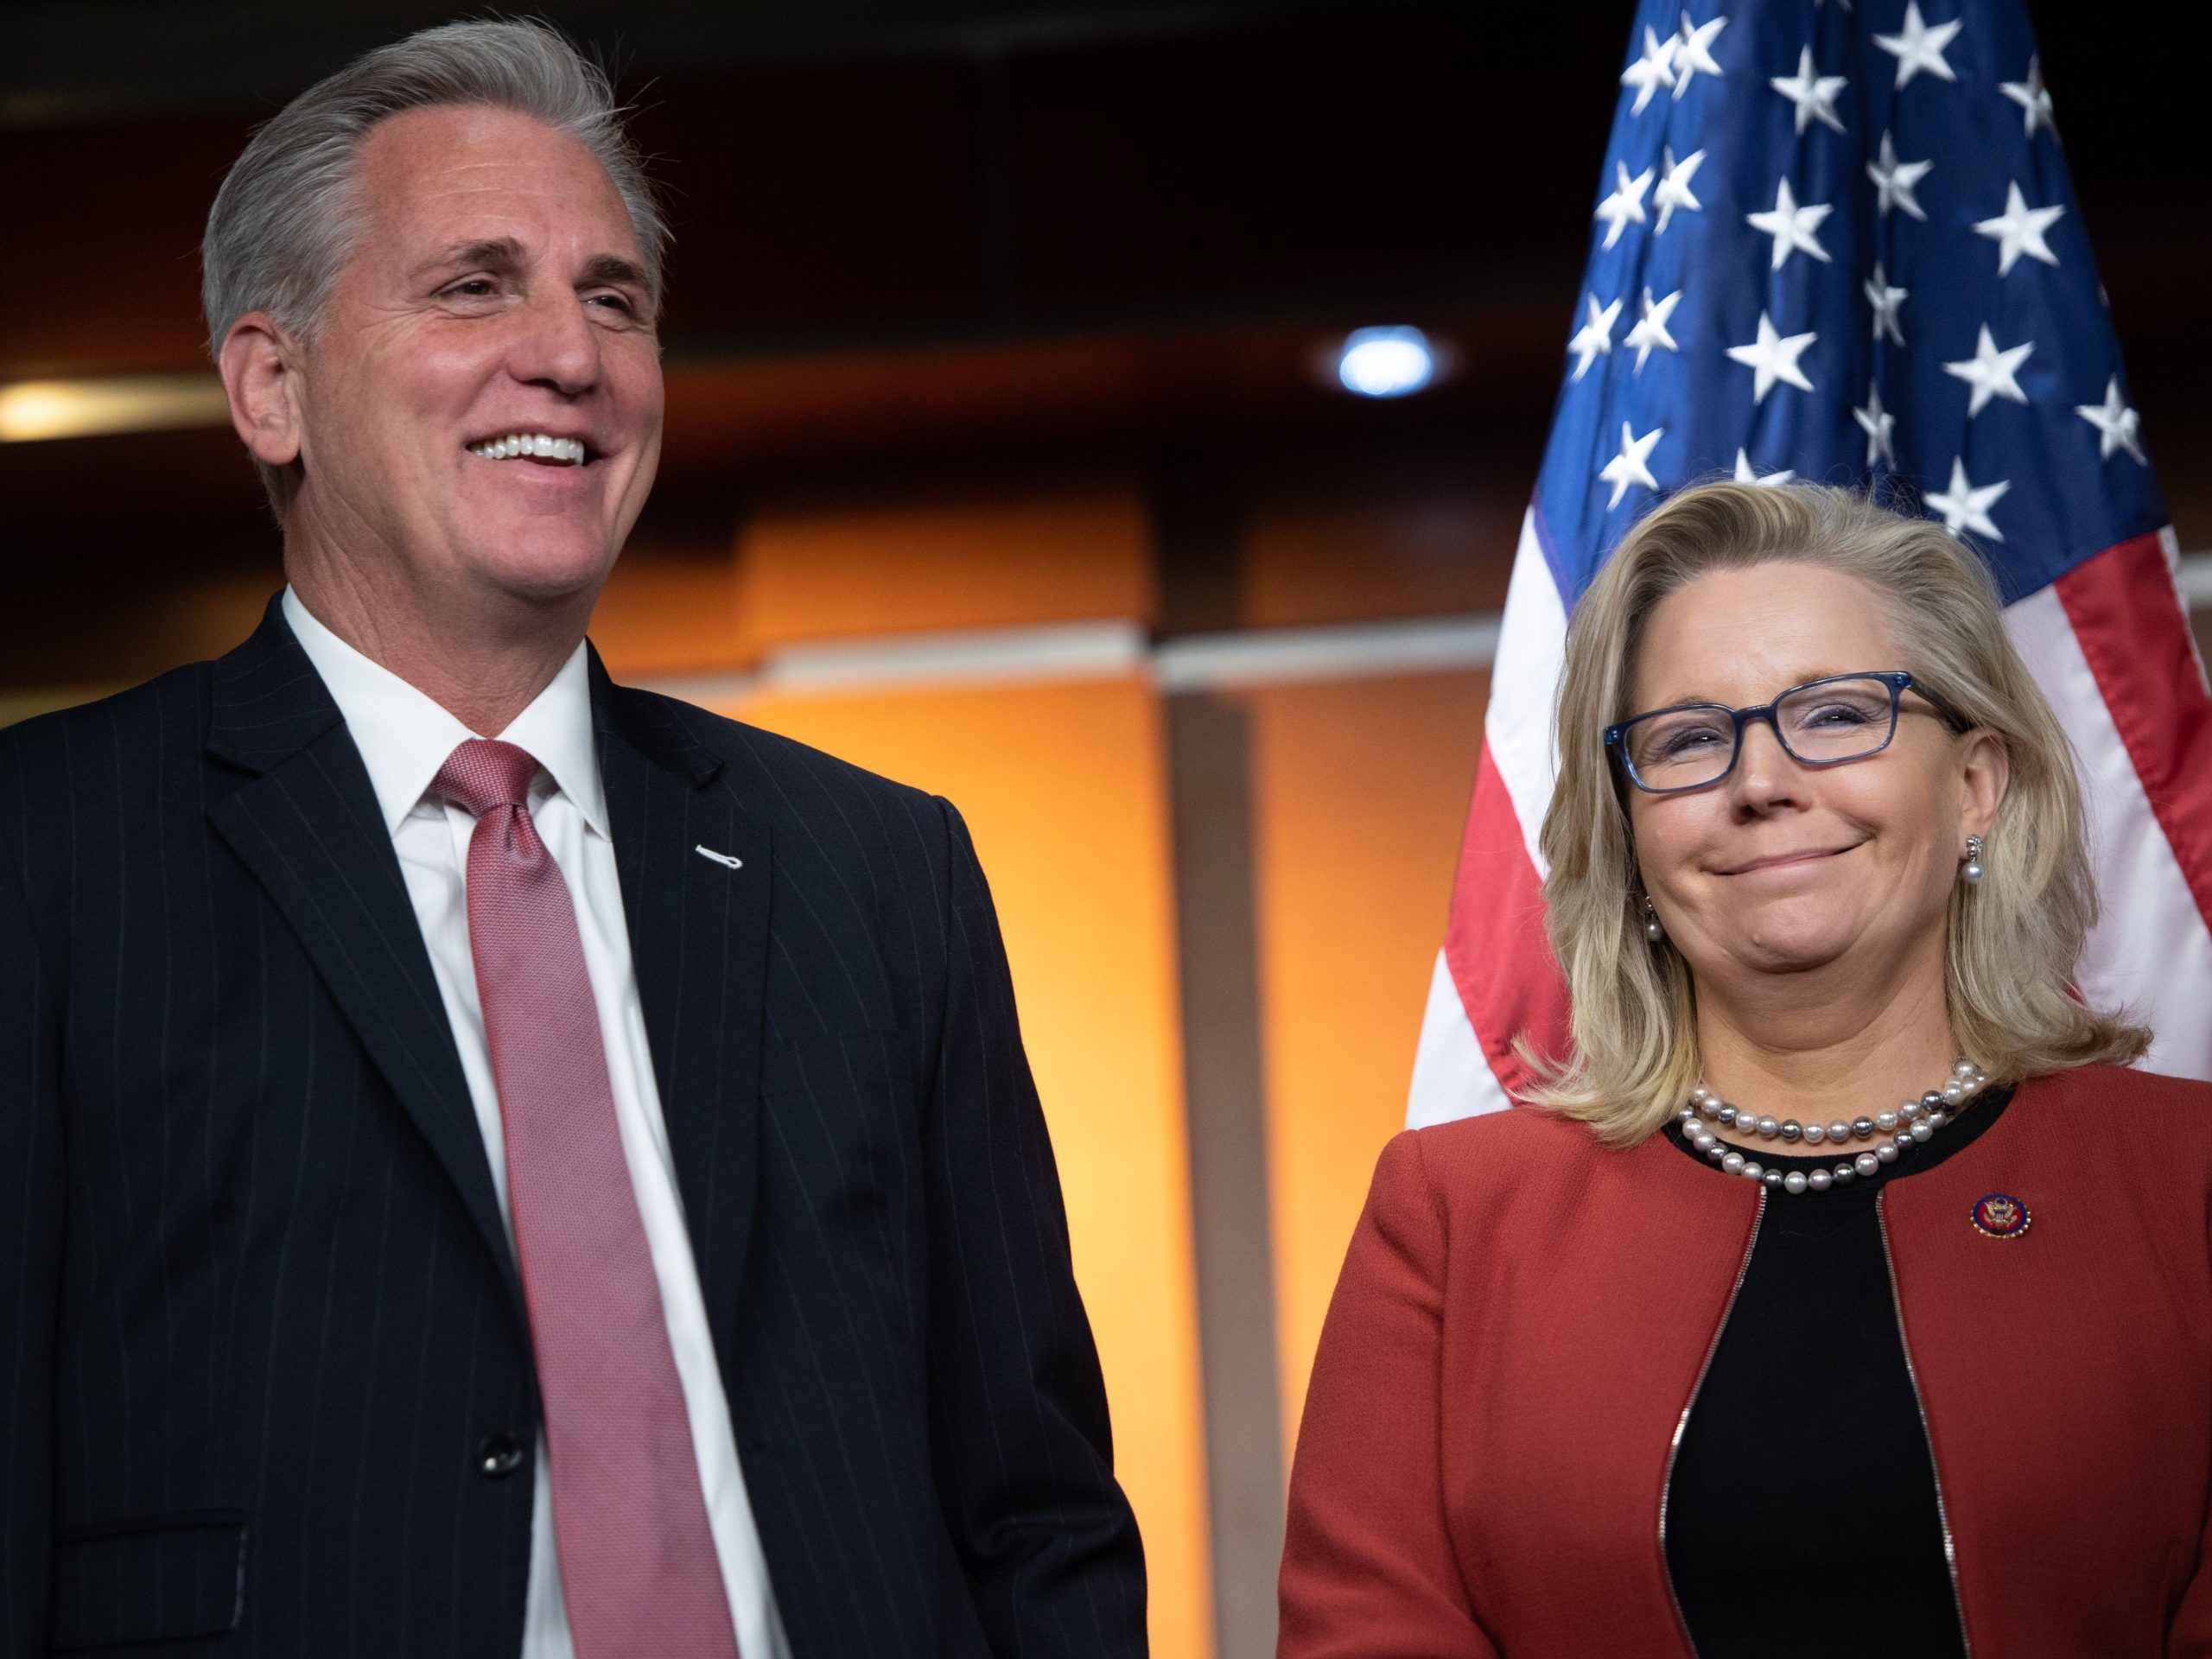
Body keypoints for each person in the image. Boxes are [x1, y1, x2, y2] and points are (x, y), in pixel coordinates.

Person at [0, 21, 1146, 1658]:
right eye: (475, 285)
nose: (571, 356)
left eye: (614, 298)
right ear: (272, 385)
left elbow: (1036, 1511)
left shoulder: (878, 876)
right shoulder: (47, 865)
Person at [1277, 480, 2212, 1658]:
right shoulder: (1457, 1218)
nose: (1760, 781)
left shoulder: (2190, 1181)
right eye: (1688, 740)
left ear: (1976, 783)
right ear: (1629, 833)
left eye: (1832, 715)